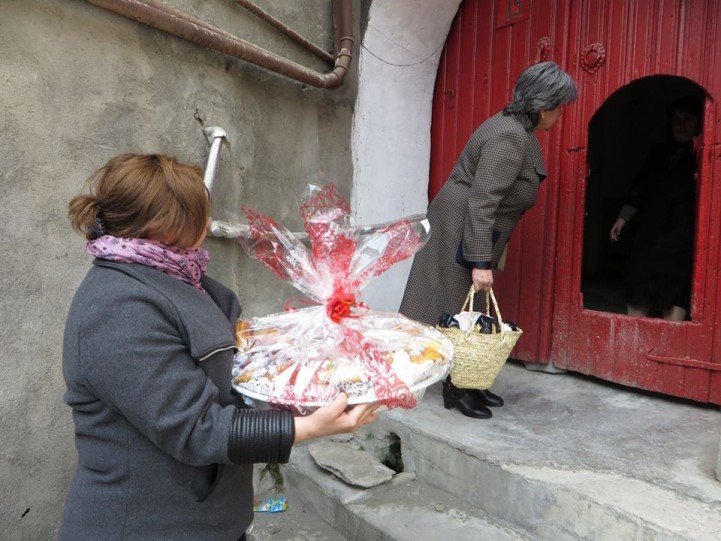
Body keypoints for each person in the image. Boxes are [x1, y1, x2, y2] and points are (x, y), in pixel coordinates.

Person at [59, 153, 378, 541]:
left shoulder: (185, 279)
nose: (207, 227)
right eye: (199, 218)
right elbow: (195, 429)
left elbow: (237, 377)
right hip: (149, 526)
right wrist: (307, 427)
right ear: (167, 228)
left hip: (213, 518)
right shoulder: (117, 307)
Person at [399, 61, 577, 419]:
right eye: (560, 109)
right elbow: (483, 200)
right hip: (463, 226)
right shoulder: (509, 137)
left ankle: (469, 383)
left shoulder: (512, 128)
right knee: (460, 307)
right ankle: (458, 388)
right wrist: (481, 262)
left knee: (465, 308)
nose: (560, 116)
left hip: (467, 225)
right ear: (544, 107)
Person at [609, 96, 701, 321]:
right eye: (676, 119)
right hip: (651, 233)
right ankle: (633, 345)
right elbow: (640, 187)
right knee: (640, 283)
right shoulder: (658, 153)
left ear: (698, 122)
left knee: (676, 289)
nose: (681, 124)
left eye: (687, 119)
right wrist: (623, 218)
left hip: (684, 236)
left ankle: (669, 345)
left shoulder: (703, 155)